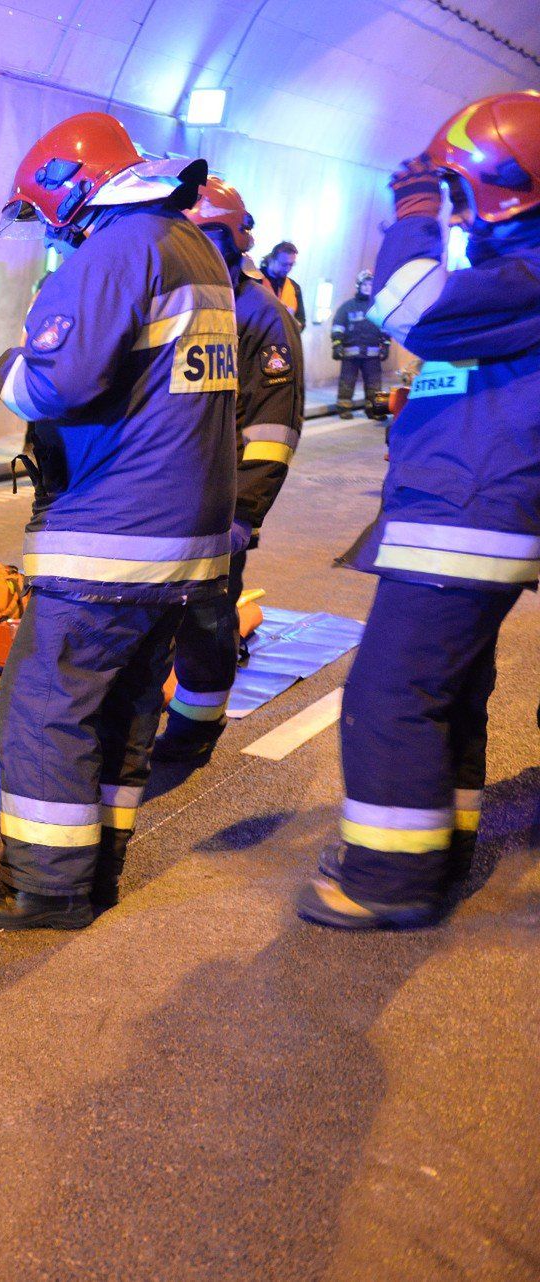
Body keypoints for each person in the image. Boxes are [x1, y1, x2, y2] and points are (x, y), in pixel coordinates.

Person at [0, 112, 236, 930]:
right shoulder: (194, 248)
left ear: (67, 190)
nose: (48, 229)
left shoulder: (117, 250)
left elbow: (51, 385)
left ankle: (44, 887)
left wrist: (9, 364)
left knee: (47, 706)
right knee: (126, 708)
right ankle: (97, 867)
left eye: (44, 212)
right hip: (181, 541)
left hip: (113, 532)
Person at [298, 90, 540, 930]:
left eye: (459, 189)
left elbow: (411, 307)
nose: (454, 207)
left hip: (466, 514)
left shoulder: (528, 271)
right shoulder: (513, 274)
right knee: (447, 694)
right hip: (470, 506)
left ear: (501, 185)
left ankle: (386, 880)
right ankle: (440, 847)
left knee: (393, 695)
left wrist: (413, 213)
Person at [153, 178, 305, 766]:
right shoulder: (169, 299)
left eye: (200, 237)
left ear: (230, 240)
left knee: (206, 620)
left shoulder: (262, 317)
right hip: (154, 499)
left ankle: (195, 729)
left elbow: (273, 430)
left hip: (217, 507)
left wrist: (242, 513)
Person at [331, 271, 391, 419]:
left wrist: (386, 345)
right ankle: (343, 409)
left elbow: (386, 328)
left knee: (375, 384)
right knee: (347, 382)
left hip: (372, 355)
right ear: (358, 286)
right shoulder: (347, 307)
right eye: (365, 284)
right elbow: (338, 327)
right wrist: (337, 345)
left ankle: (376, 411)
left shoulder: (378, 307)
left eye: (370, 285)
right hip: (350, 355)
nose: (367, 287)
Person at [261, 240, 305, 325]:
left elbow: (301, 321)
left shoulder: (295, 287)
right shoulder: (254, 279)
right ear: (271, 259)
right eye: (284, 264)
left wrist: (291, 320)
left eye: (291, 265)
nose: (288, 269)